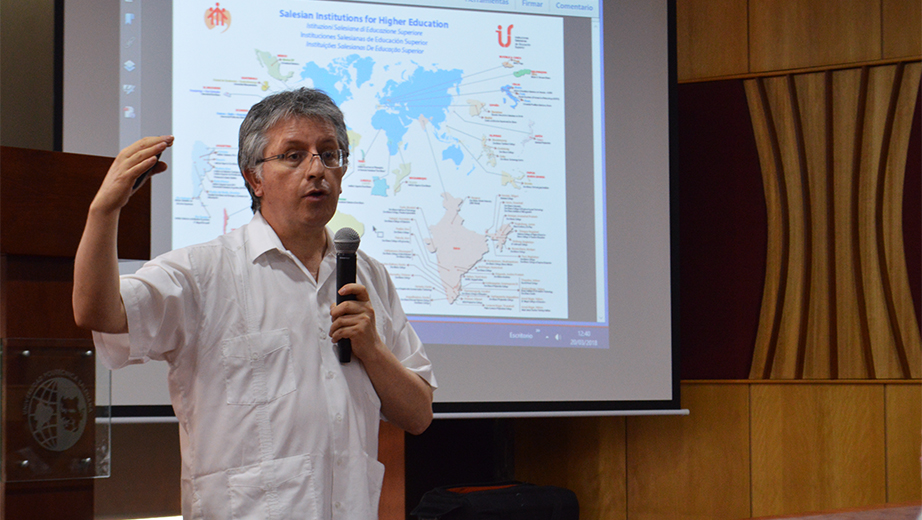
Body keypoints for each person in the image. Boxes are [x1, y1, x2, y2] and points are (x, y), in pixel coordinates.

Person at [73, 87, 436, 519]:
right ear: (254, 178)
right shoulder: (202, 272)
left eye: (330, 154)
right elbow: (98, 312)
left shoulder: (367, 275)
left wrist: (373, 350)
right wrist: (104, 211)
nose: (317, 169)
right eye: (294, 155)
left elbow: (418, 415)